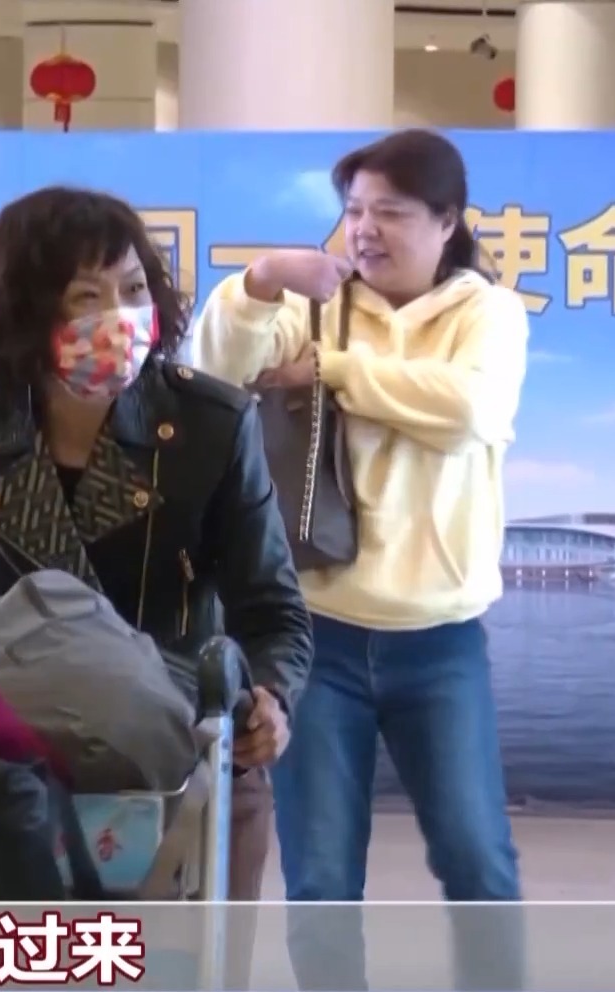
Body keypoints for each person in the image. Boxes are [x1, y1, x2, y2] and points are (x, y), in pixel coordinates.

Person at [0, 186, 313, 981]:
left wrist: (273, 701)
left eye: (134, 289)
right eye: (87, 297)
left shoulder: (210, 427)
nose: (119, 317)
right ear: (23, 313)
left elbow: (273, 611)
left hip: (183, 760)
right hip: (19, 759)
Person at [188, 128, 529, 991]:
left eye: (392, 212)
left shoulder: (487, 313)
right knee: (321, 880)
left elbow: (470, 409)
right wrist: (262, 281)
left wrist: (332, 370)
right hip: (317, 638)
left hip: (441, 640)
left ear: (447, 221)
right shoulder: (315, 303)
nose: (366, 230)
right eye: (354, 211)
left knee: (478, 862)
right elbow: (214, 376)